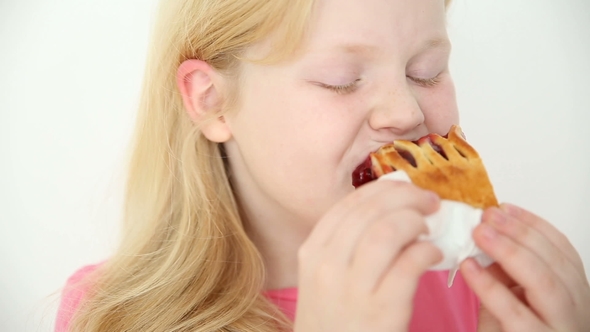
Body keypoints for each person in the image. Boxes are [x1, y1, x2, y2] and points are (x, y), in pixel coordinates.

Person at [55, 0, 590, 331]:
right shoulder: (113, 315)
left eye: (427, 71)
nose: (406, 112)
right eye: (341, 79)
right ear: (212, 100)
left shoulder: (477, 291)